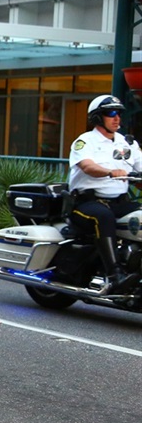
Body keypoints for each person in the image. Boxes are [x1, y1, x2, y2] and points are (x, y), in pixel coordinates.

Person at [68, 94, 142, 292]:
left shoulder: (127, 143)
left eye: (118, 113)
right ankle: (115, 275)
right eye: (111, 113)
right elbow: (87, 166)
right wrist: (110, 172)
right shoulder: (85, 141)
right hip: (87, 203)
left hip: (119, 202)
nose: (116, 117)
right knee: (104, 216)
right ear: (98, 117)